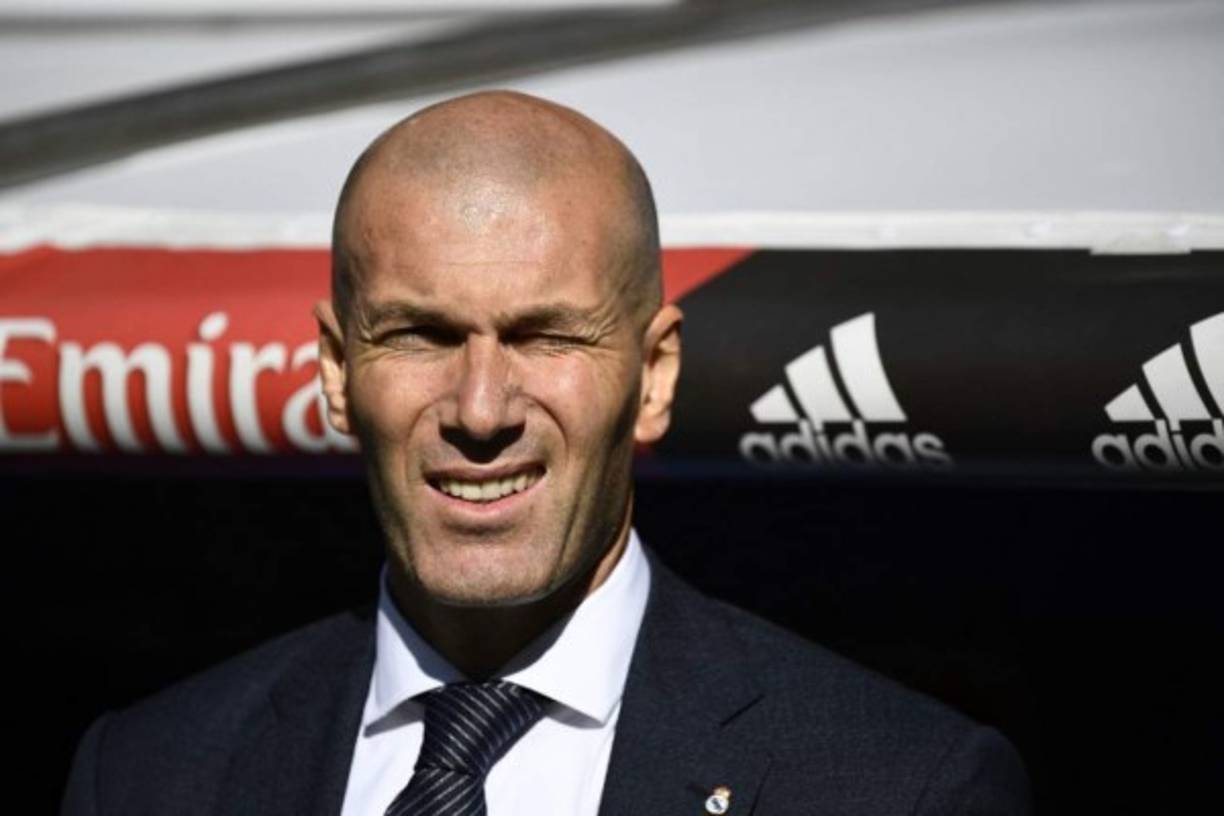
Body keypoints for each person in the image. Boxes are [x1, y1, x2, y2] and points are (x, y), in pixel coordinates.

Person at [62, 90, 1031, 815]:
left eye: (547, 337)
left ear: (652, 377)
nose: (482, 408)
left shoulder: (900, 789)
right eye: (421, 335)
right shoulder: (149, 776)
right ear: (333, 368)